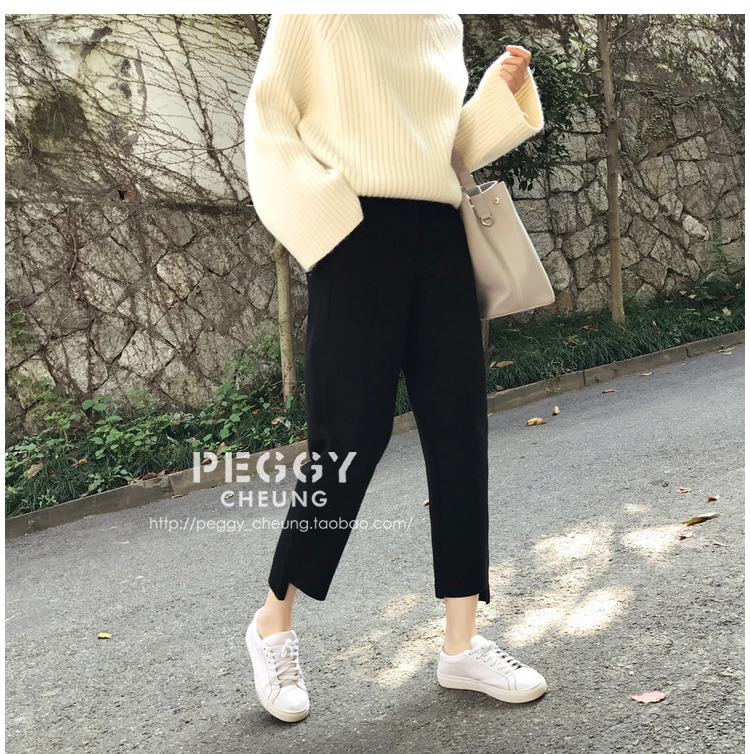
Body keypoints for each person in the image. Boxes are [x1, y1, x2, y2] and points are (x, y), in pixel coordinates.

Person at [242, 13, 547, 723]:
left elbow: (439, 145)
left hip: (440, 233)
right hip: (354, 233)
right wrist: (329, 225)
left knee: (459, 432)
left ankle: (461, 644)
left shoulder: (440, 17)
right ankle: (272, 624)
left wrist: (496, 97)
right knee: (348, 440)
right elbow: (268, 119)